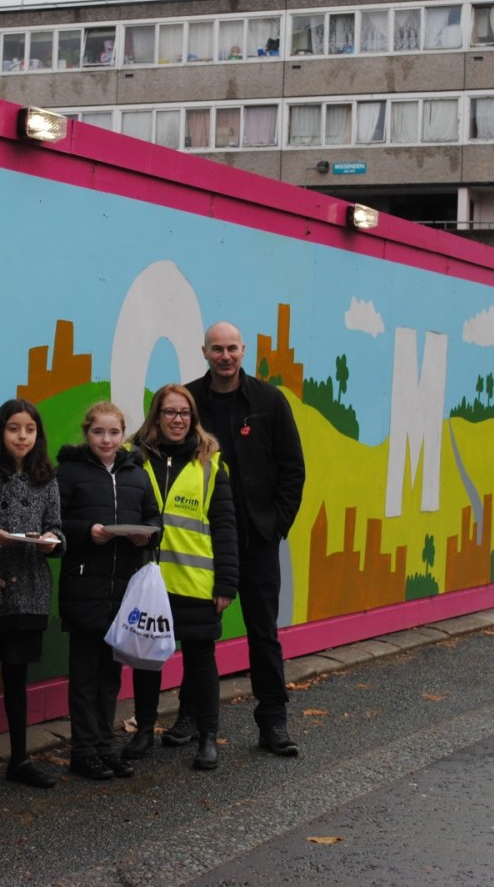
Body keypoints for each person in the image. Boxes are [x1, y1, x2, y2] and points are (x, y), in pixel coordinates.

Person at [185, 321, 306, 757]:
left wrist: (275, 526)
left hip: (257, 538)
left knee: (263, 631)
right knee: (196, 632)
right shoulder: (188, 400)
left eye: (232, 348)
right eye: (217, 349)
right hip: (201, 538)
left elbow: (293, 468)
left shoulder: (269, 401)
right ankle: (190, 715)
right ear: (204, 351)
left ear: (243, 350)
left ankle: (273, 720)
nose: (225, 356)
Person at [129, 383, 238, 770]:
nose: (178, 420)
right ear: (156, 416)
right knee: (146, 659)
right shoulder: (134, 459)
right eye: (170, 412)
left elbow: (225, 526)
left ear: (193, 418)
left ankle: (208, 737)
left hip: (195, 583)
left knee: (201, 660)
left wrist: (226, 583)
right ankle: (144, 730)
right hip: (148, 581)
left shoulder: (210, 463)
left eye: (184, 413)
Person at [55, 401, 161, 780]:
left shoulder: (137, 474)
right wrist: (88, 532)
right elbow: (55, 522)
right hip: (84, 585)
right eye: (98, 432)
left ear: (122, 435)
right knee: (85, 676)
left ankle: (105, 746)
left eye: (114, 432)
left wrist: (144, 535)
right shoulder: (69, 472)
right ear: (87, 433)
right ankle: (83, 752)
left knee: (111, 676)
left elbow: (155, 519)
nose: (106, 439)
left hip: (124, 591)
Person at [0, 398, 63, 788]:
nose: (22, 436)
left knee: (18, 678)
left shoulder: (46, 478)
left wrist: (52, 540)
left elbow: (57, 527)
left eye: (29, 430)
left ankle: (19, 759)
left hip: (30, 591)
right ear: (0, 432)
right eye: (13, 428)